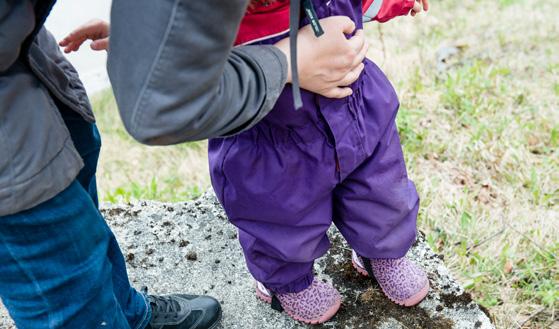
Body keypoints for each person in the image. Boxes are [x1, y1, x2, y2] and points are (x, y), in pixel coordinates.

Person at [0, 0, 368, 328]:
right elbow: (159, 106)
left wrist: (150, 35)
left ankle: (122, 312)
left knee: (78, 159)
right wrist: (288, 62)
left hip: (17, 41)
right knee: (53, 254)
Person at [206, 0, 430, 324]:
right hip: (271, 137)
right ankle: (287, 282)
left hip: (355, 109)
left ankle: (382, 253)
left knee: (380, 189)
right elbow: (189, 67)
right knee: (277, 215)